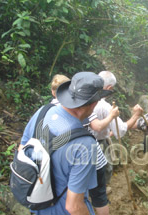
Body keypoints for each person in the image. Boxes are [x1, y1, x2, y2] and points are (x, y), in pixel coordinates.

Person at [18, 72, 113, 215]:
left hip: (37, 204)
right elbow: (73, 206)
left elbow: (22, 150)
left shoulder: (42, 112)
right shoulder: (85, 144)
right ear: (93, 104)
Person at [88, 71, 143, 215]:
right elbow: (121, 130)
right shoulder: (104, 106)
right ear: (109, 87)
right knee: (104, 169)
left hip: (81, 141)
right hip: (98, 143)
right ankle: (101, 194)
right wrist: (136, 115)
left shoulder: (84, 97)